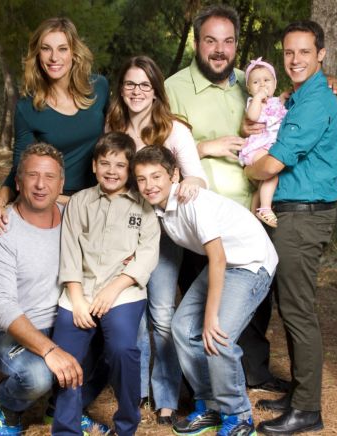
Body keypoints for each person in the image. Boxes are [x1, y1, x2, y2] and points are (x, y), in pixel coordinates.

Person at [164, 2, 285, 395]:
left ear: (236, 44)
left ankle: (255, 374)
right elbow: (158, 154)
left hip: (250, 211)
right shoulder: (173, 88)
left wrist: (334, 82)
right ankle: (206, 388)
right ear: (196, 42)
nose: (220, 50)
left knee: (253, 302)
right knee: (204, 303)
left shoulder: (251, 81)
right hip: (201, 217)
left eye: (228, 41)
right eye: (211, 41)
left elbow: (286, 106)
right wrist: (206, 147)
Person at [133, 145, 278, 436]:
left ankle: (238, 417)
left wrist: (211, 318)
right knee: (183, 328)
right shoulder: (156, 206)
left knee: (218, 337)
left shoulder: (191, 202)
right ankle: (210, 404)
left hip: (250, 263)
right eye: (141, 179)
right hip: (225, 263)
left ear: (174, 175)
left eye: (156, 176)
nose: (149, 185)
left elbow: (218, 258)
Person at [244, 21, 337, 435]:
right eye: (289, 52)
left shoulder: (315, 101)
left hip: (303, 216)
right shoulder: (298, 97)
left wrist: (250, 170)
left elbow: (273, 162)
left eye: (305, 52)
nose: (296, 59)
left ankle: (307, 411)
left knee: (298, 310)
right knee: (290, 306)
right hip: (291, 213)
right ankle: (299, 394)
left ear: (321, 54)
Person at [105, 55, 207, 424]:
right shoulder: (113, 127)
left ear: (155, 91)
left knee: (162, 314)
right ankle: (137, 393)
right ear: (121, 89)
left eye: (144, 85)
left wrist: (185, 183)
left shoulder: (173, 130)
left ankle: (166, 397)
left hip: (163, 235)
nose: (136, 91)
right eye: (130, 84)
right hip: (124, 233)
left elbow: (197, 178)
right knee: (131, 315)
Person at [51, 132, 160, 436]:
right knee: (66, 358)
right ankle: (66, 430)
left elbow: (147, 254)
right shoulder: (80, 202)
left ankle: (126, 424)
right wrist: (77, 300)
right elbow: (70, 251)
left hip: (123, 292)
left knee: (123, 349)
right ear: (94, 166)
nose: (112, 171)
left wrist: (113, 289)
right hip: (78, 292)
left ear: (129, 169)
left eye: (120, 165)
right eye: (105, 163)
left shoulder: (144, 206)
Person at [0, 143, 82, 436]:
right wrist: (50, 350)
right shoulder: (0, 229)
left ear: (61, 184)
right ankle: (8, 410)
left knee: (114, 334)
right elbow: (3, 307)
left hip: (60, 320)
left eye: (49, 177)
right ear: (18, 182)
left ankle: (61, 410)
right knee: (37, 375)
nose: (40, 184)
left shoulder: (73, 216)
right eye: (32, 175)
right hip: (6, 331)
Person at [0, 16, 109, 234]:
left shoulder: (99, 87)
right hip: (55, 201)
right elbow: (20, 168)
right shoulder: (27, 107)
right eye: (46, 48)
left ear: (74, 52)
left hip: (101, 197)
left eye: (62, 49)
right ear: (37, 54)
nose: (54, 57)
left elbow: (117, 138)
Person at [239, 57, 287, 228]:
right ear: (249, 88)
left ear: (275, 83)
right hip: (258, 148)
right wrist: (258, 98)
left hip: (268, 146)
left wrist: (283, 98)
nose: (262, 85)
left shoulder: (275, 102)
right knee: (271, 174)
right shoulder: (253, 102)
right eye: (256, 82)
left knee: (259, 188)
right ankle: (265, 208)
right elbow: (252, 116)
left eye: (267, 80)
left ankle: (254, 219)